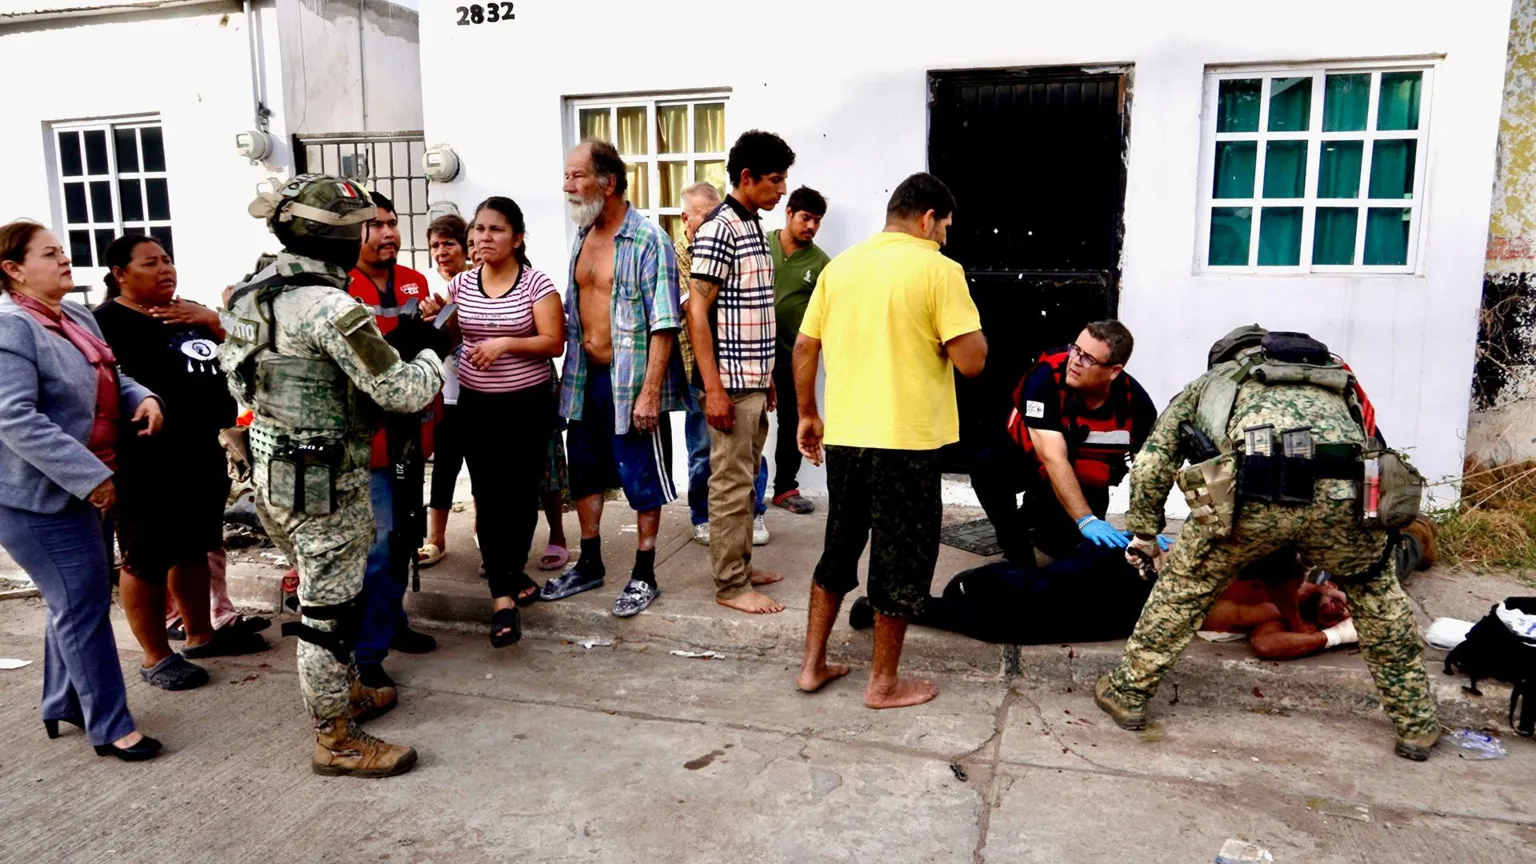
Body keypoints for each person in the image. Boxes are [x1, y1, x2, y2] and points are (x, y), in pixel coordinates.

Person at [1094, 325, 1441, 760]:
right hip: (1344, 499)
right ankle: (1417, 725)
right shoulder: (1337, 381)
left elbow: (1150, 465)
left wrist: (1145, 534)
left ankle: (1128, 694)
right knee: (1378, 598)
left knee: (1181, 591)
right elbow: (1373, 447)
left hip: (1251, 502)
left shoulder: (1214, 384)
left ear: (1225, 358)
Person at [223, 174, 443, 777]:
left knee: (330, 594)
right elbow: (400, 391)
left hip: (272, 464)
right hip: (325, 478)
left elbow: (239, 380)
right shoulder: (330, 306)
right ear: (338, 239)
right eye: (362, 228)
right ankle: (337, 737)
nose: (371, 237)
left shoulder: (250, 294)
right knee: (328, 611)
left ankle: (347, 694)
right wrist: (430, 351)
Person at [794, 172, 988, 708]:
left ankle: (811, 666)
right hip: (906, 444)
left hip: (848, 437)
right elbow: (972, 363)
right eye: (945, 226)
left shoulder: (841, 268)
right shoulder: (939, 270)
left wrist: (808, 415)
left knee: (839, 548)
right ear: (928, 218)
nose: (945, 237)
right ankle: (883, 683)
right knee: (900, 561)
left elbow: (805, 347)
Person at [0, 220, 165, 760]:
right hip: (37, 497)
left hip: (90, 483)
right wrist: (91, 477)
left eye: (64, 251)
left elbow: (110, 373)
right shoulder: (11, 328)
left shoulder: (71, 313)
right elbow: (15, 419)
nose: (66, 260)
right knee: (84, 605)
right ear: (14, 270)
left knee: (74, 599)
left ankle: (62, 701)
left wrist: (142, 396)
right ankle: (111, 727)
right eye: (50, 254)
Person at [94, 234, 266, 691]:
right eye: (150, 263)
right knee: (144, 557)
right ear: (120, 275)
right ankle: (155, 656)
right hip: (146, 460)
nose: (165, 269)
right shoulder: (107, 323)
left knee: (195, 545)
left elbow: (244, 349)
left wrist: (213, 320)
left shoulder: (188, 312)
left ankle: (201, 634)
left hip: (201, 452)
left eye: (167, 259)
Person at [544, 141, 685, 618]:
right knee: (583, 473)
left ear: (607, 182)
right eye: (567, 176)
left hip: (630, 383)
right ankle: (590, 563)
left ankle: (644, 573)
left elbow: (665, 323)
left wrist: (649, 394)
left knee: (641, 477)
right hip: (584, 379)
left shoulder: (649, 240)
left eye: (576, 176)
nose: (567, 186)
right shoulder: (583, 236)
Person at [422, 197, 563, 646]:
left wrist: (505, 344)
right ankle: (502, 596)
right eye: (478, 230)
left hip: (527, 405)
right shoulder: (462, 284)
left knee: (520, 496)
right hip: (478, 404)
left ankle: (508, 574)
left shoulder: (536, 285)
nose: (484, 238)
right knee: (487, 492)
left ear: (517, 238)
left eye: (495, 230)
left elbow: (553, 342)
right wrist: (435, 316)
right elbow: (456, 335)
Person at [687, 130, 797, 614]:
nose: (783, 190)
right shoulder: (721, 228)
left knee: (746, 478)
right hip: (729, 387)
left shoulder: (751, 224)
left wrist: (767, 373)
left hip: (753, 380)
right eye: (775, 180)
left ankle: (742, 566)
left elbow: (749, 309)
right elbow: (697, 311)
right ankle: (731, 586)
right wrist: (713, 389)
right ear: (747, 178)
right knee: (731, 486)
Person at [347, 192, 440, 695]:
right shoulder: (336, 285)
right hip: (367, 443)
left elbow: (422, 343)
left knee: (404, 537)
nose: (387, 234)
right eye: (375, 226)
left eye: (392, 223)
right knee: (379, 548)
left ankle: (393, 619)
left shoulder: (415, 280)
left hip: (410, 435)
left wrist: (435, 321)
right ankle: (367, 655)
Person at [976, 320, 1157, 563]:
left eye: (1088, 359)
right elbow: (1052, 458)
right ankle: (1017, 549)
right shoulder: (1045, 377)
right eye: (1076, 350)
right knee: (987, 466)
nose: (1074, 361)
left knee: (1077, 554)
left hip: (1083, 474)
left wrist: (1146, 532)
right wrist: (1086, 519)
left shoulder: (1137, 405)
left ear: (1114, 371)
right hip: (1027, 459)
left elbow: (1149, 473)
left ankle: (1037, 517)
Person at [675, 181, 769, 547]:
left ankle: (750, 518)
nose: (711, 223)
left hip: (741, 368)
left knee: (746, 456)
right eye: (703, 217)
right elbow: (691, 308)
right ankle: (704, 518)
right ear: (686, 219)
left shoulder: (738, 234)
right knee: (704, 451)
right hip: (699, 370)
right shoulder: (679, 255)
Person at [851, 544, 1155, 646]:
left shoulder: (1119, 559)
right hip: (1014, 610)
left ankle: (880, 607)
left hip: (1002, 607)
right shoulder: (1133, 617)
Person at [768, 186, 831, 516]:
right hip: (752, 352)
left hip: (794, 357)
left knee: (794, 418)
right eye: (806, 218)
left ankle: (784, 488)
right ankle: (742, 491)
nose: (811, 227)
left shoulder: (821, 263)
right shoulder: (761, 245)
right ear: (789, 212)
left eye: (817, 221)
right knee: (744, 421)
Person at [419, 213, 471, 568]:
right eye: (435, 245)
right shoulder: (430, 291)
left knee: (482, 468)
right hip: (446, 395)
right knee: (444, 468)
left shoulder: (475, 283)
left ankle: (485, 533)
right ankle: (435, 539)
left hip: (477, 391)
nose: (441, 252)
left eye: (448, 244)